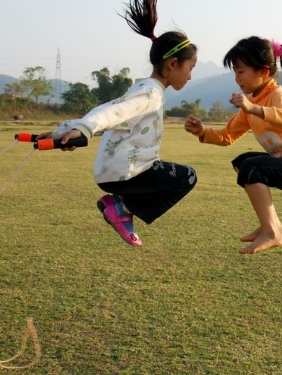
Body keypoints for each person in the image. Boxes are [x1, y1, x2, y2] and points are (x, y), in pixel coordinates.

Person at [37, 0, 198, 247]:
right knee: (186, 177)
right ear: (173, 64)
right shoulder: (149, 95)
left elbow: (112, 116)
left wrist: (60, 131)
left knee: (170, 173)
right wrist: (84, 129)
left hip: (111, 174)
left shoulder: (142, 89)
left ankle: (121, 205)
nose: (190, 75)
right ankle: (121, 207)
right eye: (190, 67)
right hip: (127, 175)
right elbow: (108, 112)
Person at [184, 36, 282, 255]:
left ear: (263, 71)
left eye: (241, 71)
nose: (237, 78)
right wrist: (202, 131)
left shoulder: (278, 95)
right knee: (243, 162)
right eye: (235, 72)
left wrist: (252, 108)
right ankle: (271, 225)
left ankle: (271, 231)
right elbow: (227, 136)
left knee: (252, 168)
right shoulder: (251, 103)